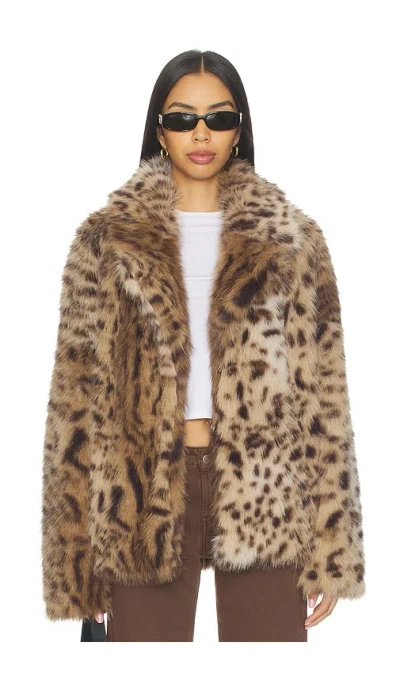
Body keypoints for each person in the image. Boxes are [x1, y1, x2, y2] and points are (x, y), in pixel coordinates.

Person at [41, 49, 366, 642]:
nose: (200, 133)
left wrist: (332, 543)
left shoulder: (292, 240)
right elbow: (75, 407)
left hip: (266, 485)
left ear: (239, 129)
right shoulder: (106, 242)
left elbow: (324, 398)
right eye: (181, 118)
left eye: (218, 118)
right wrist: (74, 566)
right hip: (141, 493)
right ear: (159, 130)